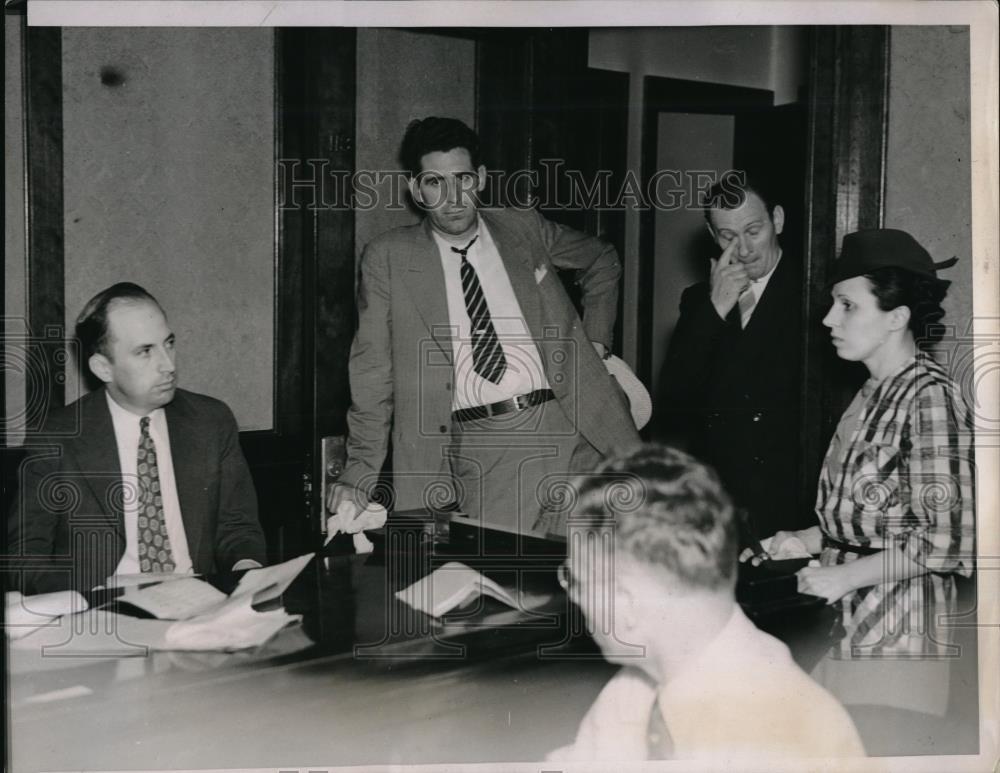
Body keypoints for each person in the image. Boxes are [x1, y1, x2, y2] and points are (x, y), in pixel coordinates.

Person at [327, 116, 639, 537]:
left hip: (580, 425)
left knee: (604, 584)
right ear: (417, 191)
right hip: (486, 447)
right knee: (508, 588)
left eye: (462, 180)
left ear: (481, 180)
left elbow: (602, 260)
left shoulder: (522, 227)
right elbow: (372, 374)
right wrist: (359, 472)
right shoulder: (388, 258)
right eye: (436, 183)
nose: (453, 198)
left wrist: (596, 345)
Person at [752, 229, 976, 724]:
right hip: (837, 630)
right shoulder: (872, 391)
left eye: (847, 306)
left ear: (896, 317)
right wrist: (804, 539)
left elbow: (949, 539)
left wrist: (843, 576)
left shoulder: (929, 398)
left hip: (896, 642)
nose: (829, 318)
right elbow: (871, 518)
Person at [549, 444, 865, 762]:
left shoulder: (771, 738)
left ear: (625, 601)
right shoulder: (640, 685)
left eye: (573, 580)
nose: (574, 597)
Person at [8, 283, 267, 594]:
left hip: (198, 607)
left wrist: (247, 573)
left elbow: (237, 528)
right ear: (103, 368)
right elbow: (25, 559)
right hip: (102, 616)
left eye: (168, 344)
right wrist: (94, 596)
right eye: (145, 351)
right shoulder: (58, 436)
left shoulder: (211, 421)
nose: (168, 365)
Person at [657, 171, 808, 540]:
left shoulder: (813, 289)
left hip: (791, 494)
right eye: (728, 236)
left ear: (778, 220)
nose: (743, 249)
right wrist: (715, 308)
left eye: (753, 230)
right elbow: (674, 398)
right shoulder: (699, 301)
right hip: (720, 496)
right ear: (713, 236)